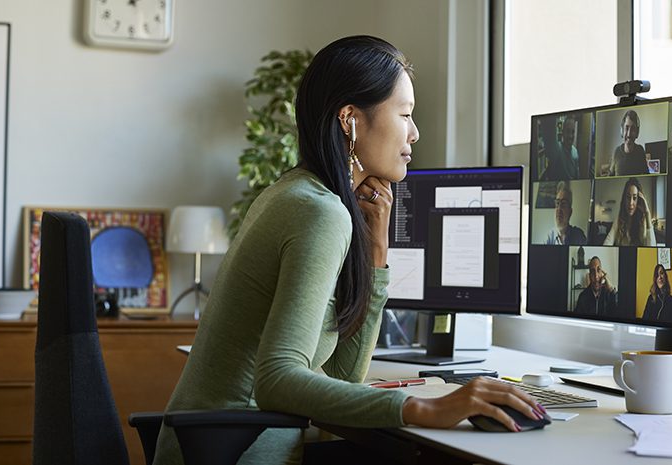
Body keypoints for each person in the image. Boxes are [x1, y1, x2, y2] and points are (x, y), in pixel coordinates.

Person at [153, 36, 543, 465]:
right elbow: (277, 380)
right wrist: (425, 407)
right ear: (350, 119)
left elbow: (343, 376)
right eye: (406, 114)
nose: (415, 132)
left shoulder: (296, 192)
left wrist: (377, 253)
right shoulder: (319, 211)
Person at [603, 177, 656, 246]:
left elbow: (652, 249)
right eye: (628, 197)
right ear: (624, 199)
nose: (631, 203)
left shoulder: (645, 222)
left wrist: (647, 213)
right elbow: (607, 244)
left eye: (634, 198)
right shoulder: (619, 220)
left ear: (639, 200)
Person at [545, 181, 587, 245]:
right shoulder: (548, 237)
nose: (559, 209)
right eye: (557, 203)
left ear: (570, 212)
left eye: (563, 204)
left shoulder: (579, 236)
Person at [608, 110, 648, 176]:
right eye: (626, 128)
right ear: (622, 131)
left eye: (633, 129)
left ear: (637, 132)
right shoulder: (616, 152)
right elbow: (610, 175)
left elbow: (646, 173)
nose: (629, 134)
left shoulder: (640, 151)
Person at [540, 115, 579, 180]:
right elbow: (548, 123)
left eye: (573, 132)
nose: (570, 136)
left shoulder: (575, 152)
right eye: (568, 131)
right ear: (563, 132)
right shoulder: (556, 149)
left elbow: (577, 176)